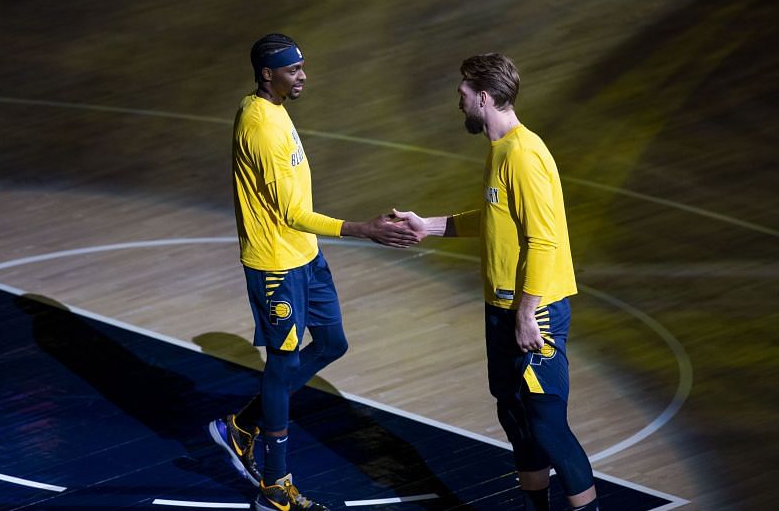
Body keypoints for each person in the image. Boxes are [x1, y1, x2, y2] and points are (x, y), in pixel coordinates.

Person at [208, 33, 419, 511]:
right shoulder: (260, 126)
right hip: (276, 264)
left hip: (306, 257)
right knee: (281, 368)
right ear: (267, 74)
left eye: (302, 66)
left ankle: (239, 427)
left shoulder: (276, 112)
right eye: (292, 69)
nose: (303, 75)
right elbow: (290, 213)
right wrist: (364, 228)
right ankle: (274, 487)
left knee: (331, 343)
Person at [394, 53, 599, 511]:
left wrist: (527, 314)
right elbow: (493, 219)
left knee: (547, 424)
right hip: (501, 308)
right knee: (515, 417)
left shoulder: (524, 156)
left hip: (533, 310)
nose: (459, 101)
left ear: (483, 97)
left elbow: (543, 242)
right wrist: (427, 226)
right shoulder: (500, 151)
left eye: (463, 93)